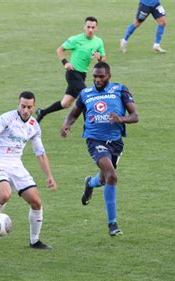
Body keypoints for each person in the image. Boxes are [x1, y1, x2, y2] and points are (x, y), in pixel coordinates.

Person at [60, 62, 138, 236]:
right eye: (95, 76)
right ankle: (112, 224)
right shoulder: (86, 93)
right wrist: (66, 125)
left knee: (104, 179)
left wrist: (120, 119)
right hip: (95, 140)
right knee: (111, 175)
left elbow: (135, 116)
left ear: (109, 76)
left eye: (101, 76)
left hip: (116, 143)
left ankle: (90, 183)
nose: (97, 79)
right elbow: (74, 113)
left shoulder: (120, 90)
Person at [0, 91, 57, 249]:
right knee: (5, 194)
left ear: (33, 106)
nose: (25, 110)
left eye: (29, 107)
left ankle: (34, 241)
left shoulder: (34, 126)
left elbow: (40, 153)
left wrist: (49, 176)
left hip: (15, 165)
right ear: (18, 104)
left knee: (36, 202)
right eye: (23, 106)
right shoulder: (6, 118)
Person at [36, 16, 106, 123]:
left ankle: (42, 112)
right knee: (86, 97)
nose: (90, 30)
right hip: (72, 73)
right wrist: (66, 63)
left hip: (82, 75)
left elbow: (103, 60)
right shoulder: (76, 39)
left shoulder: (98, 42)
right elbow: (60, 49)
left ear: (96, 28)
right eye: (88, 27)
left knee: (65, 103)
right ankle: (89, 127)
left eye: (93, 27)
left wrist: (99, 58)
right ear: (84, 27)